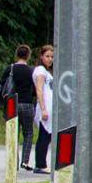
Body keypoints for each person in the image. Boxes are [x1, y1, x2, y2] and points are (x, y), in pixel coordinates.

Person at [0, 45, 37, 170]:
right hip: (27, 104)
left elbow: (1, 87)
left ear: (17, 54)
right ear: (28, 55)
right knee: (28, 133)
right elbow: (35, 90)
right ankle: (25, 161)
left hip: (12, 104)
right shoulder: (32, 71)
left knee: (13, 133)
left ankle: (13, 161)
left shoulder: (10, 69)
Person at [32, 45, 54, 175]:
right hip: (45, 108)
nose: (50, 59)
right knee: (44, 136)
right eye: (47, 56)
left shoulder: (47, 72)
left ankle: (42, 163)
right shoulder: (40, 70)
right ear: (41, 56)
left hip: (49, 107)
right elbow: (39, 89)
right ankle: (40, 164)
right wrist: (43, 108)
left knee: (48, 136)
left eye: (51, 57)